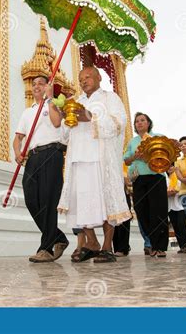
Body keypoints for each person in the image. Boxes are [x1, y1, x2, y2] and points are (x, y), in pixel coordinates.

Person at [57, 66, 130, 263]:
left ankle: (107, 246)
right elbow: (64, 137)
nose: (84, 81)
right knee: (81, 203)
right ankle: (92, 242)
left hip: (100, 159)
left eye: (88, 76)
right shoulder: (76, 102)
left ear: (99, 77)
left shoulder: (109, 98)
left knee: (105, 203)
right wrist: (66, 120)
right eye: (81, 78)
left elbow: (119, 123)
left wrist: (90, 117)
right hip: (78, 159)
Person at [13, 75, 69, 263]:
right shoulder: (28, 112)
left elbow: (55, 123)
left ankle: (45, 248)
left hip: (51, 153)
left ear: (47, 86)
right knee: (31, 199)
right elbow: (18, 137)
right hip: (33, 157)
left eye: (41, 84)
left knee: (47, 200)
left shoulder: (54, 104)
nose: (36, 86)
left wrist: (51, 98)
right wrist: (17, 152)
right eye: (34, 84)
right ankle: (58, 237)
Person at [124, 113, 169, 258]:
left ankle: (160, 247)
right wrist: (135, 157)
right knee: (141, 210)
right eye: (137, 121)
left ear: (149, 123)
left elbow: (168, 154)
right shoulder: (132, 141)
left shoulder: (158, 137)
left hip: (156, 177)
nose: (139, 123)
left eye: (142, 120)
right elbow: (126, 161)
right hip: (139, 180)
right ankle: (151, 242)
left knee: (159, 212)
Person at [166, 166, 186, 253]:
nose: (169, 169)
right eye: (168, 167)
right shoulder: (166, 179)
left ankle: (185, 245)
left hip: (180, 206)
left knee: (181, 225)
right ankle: (181, 246)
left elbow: (183, 189)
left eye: (171, 166)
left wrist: (176, 192)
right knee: (175, 226)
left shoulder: (179, 177)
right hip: (170, 206)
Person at [113, 177, 133, 257]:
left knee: (124, 218)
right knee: (113, 218)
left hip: (122, 189)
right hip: (112, 188)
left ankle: (123, 248)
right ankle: (117, 247)